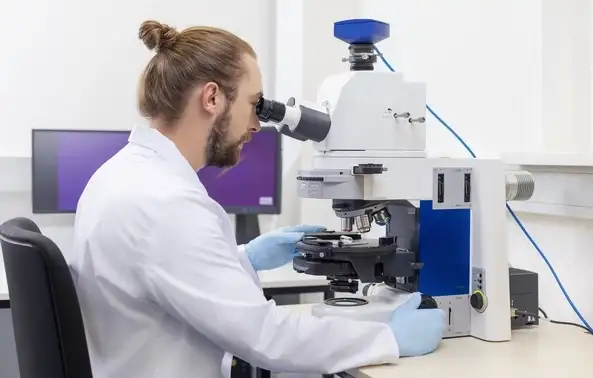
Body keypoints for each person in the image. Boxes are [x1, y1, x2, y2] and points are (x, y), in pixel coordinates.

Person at [68, 20, 446, 378]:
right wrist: (388, 339)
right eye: (255, 104)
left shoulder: (121, 175)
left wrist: (246, 258)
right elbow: (266, 338)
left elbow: (166, 273)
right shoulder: (166, 204)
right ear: (212, 97)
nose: (257, 124)